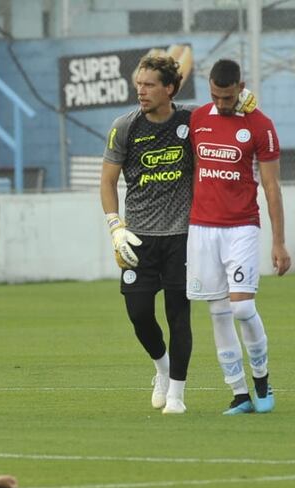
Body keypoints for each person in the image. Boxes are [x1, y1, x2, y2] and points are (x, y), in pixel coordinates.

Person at [100, 55, 256, 415]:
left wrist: (248, 105)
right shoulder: (124, 127)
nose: (141, 91)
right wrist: (115, 226)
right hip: (138, 238)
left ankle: (177, 395)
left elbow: (229, 117)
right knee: (138, 314)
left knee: (178, 316)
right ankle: (162, 368)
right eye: (139, 83)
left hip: (183, 237)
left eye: (150, 84)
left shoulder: (193, 121)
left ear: (170, 88)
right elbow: (107, 181)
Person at [187, 59, 291, 415]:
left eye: (227, 97)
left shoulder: (260, 125)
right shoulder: (198, 118)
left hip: (242, 227)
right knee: (218, 312)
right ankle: (239, 394)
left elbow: (273, 188)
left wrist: (278, 242)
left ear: (240, 87)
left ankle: (262, 379)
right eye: (215, 95)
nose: (221, 103)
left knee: (243, 308)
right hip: (202, 227)